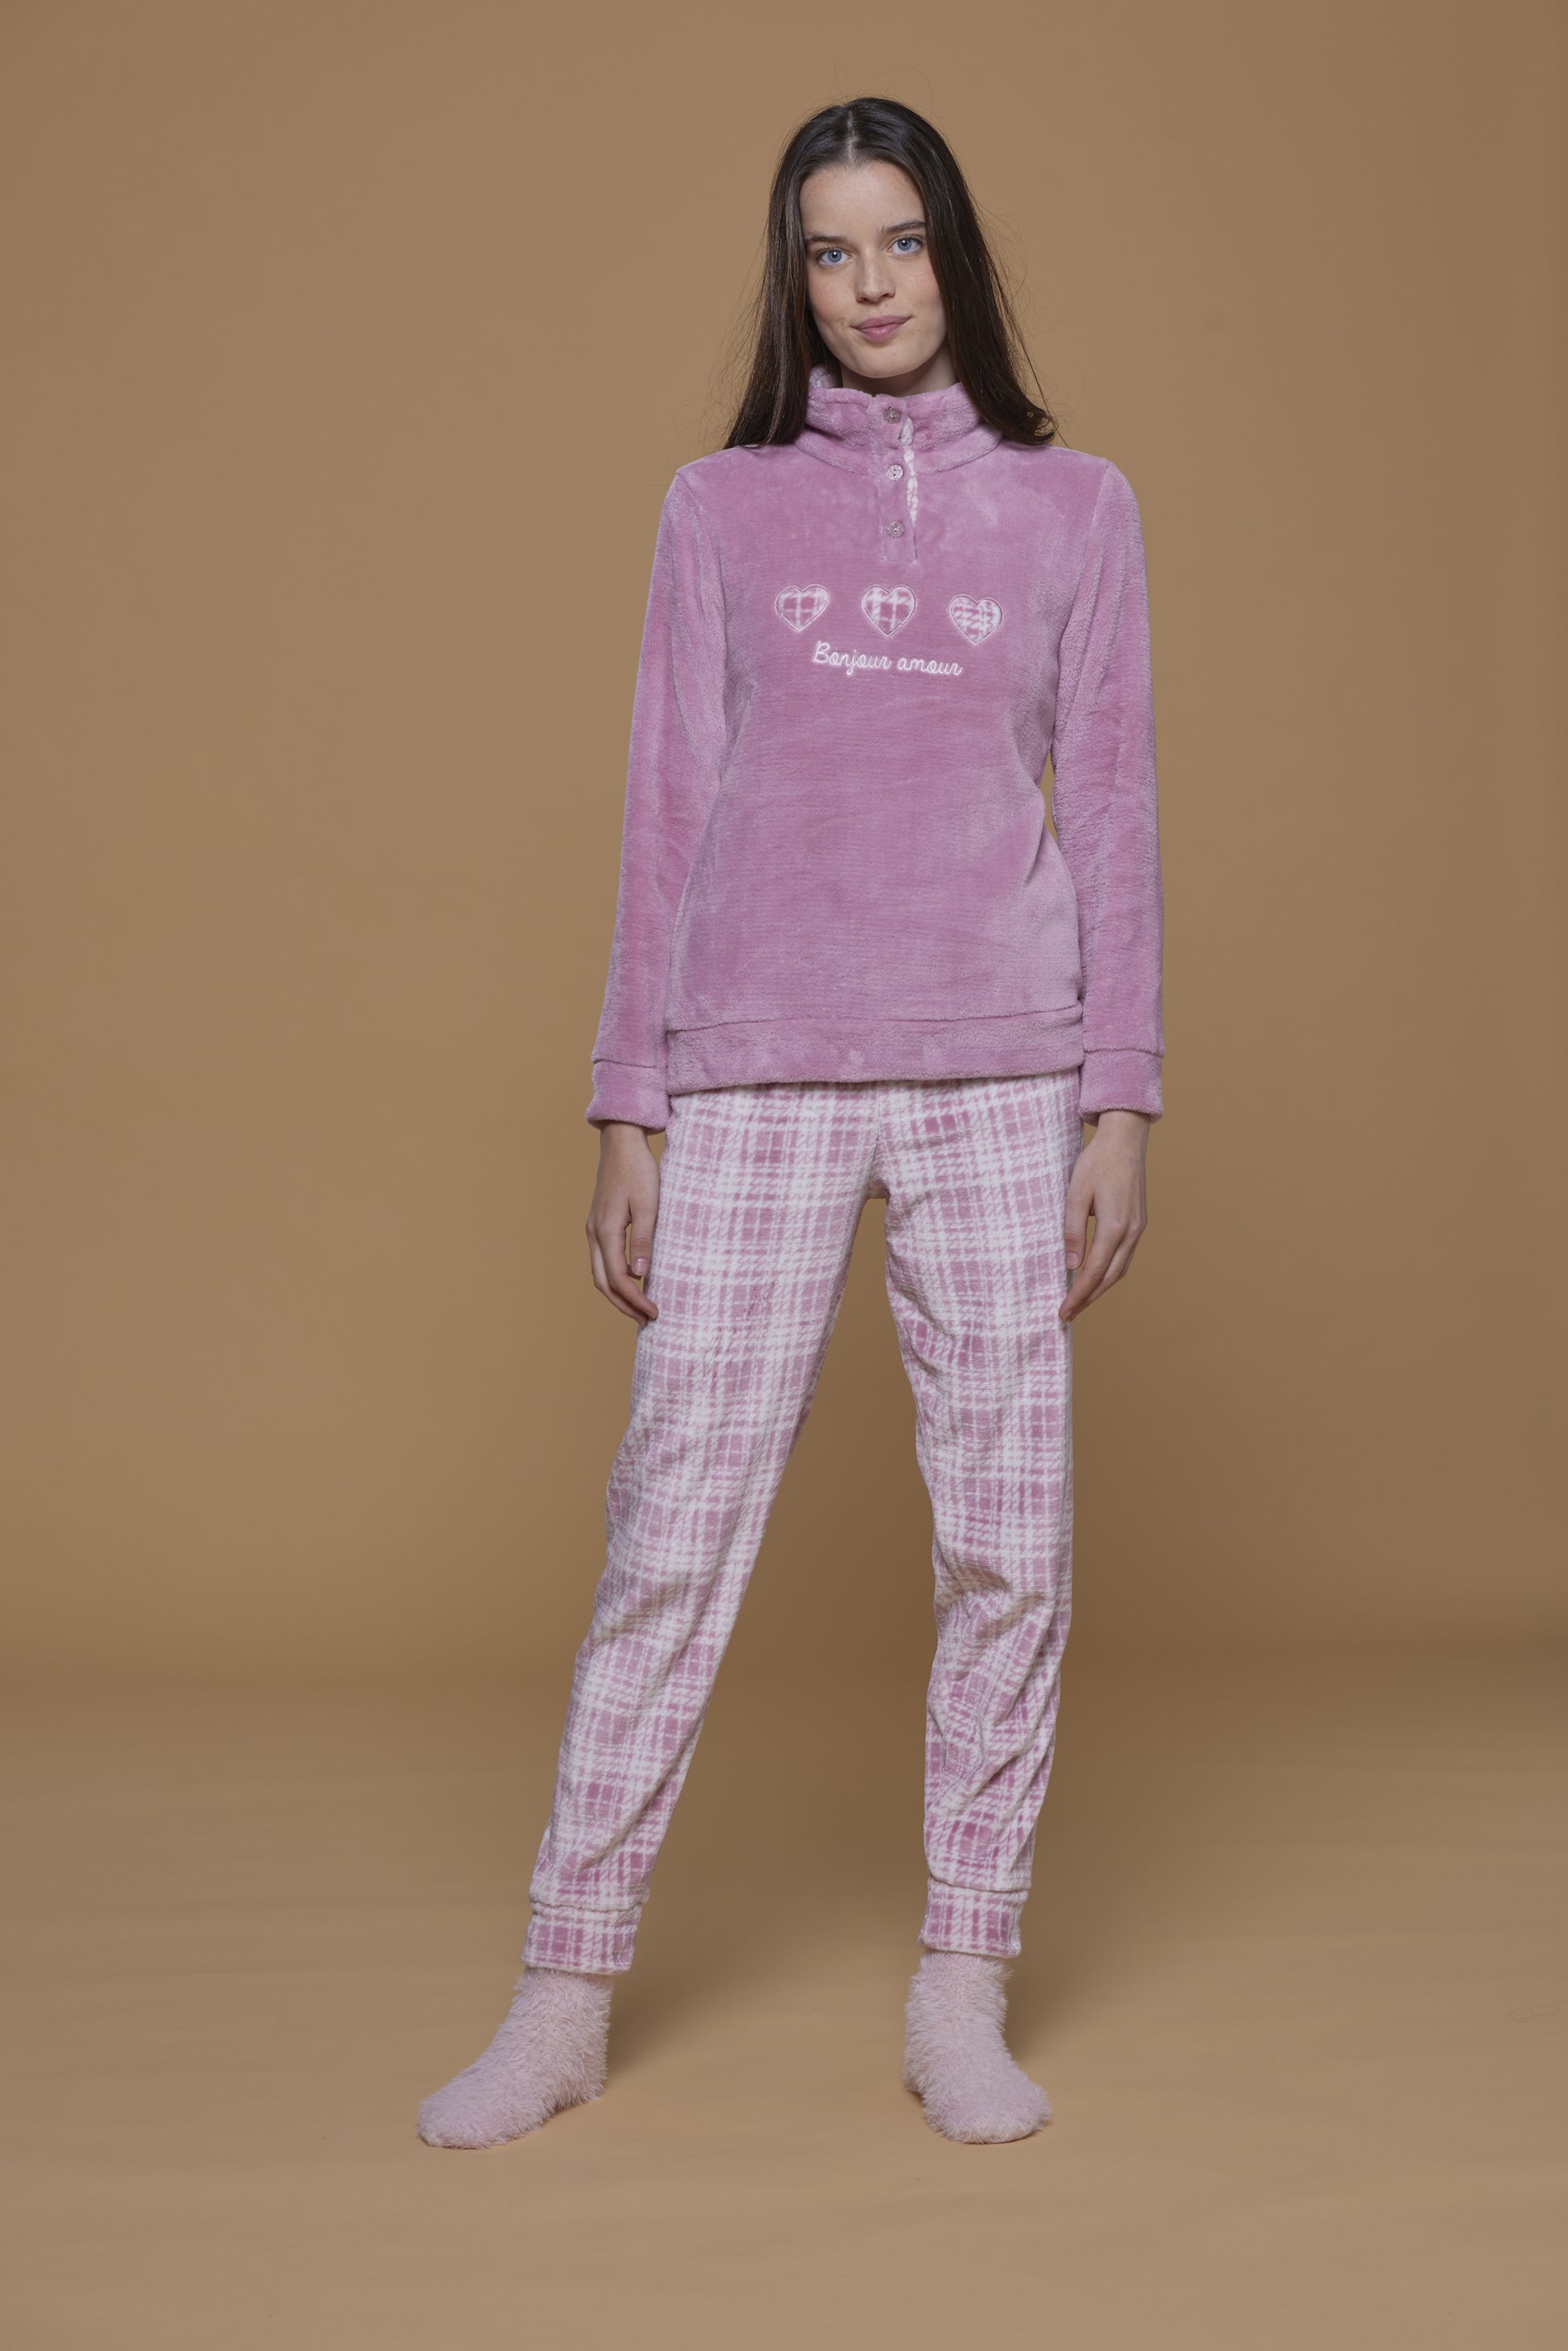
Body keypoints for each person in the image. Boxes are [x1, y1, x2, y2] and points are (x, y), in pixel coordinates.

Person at [418, 93, 1164, 2150]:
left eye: (900, 241)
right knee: (670, 1529)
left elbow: (1110, 805)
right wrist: (625, 1100)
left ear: (954, 254)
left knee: (1009, 1545)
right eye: (829, 252)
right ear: (795, 278)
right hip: (749, 1062)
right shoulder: (717, 509)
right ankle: (565, 1995)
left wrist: (1120, 1093)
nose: (869, 285)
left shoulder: (1076, 507)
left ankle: (962, 1981)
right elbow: (665, 803)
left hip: (1003, 1064)